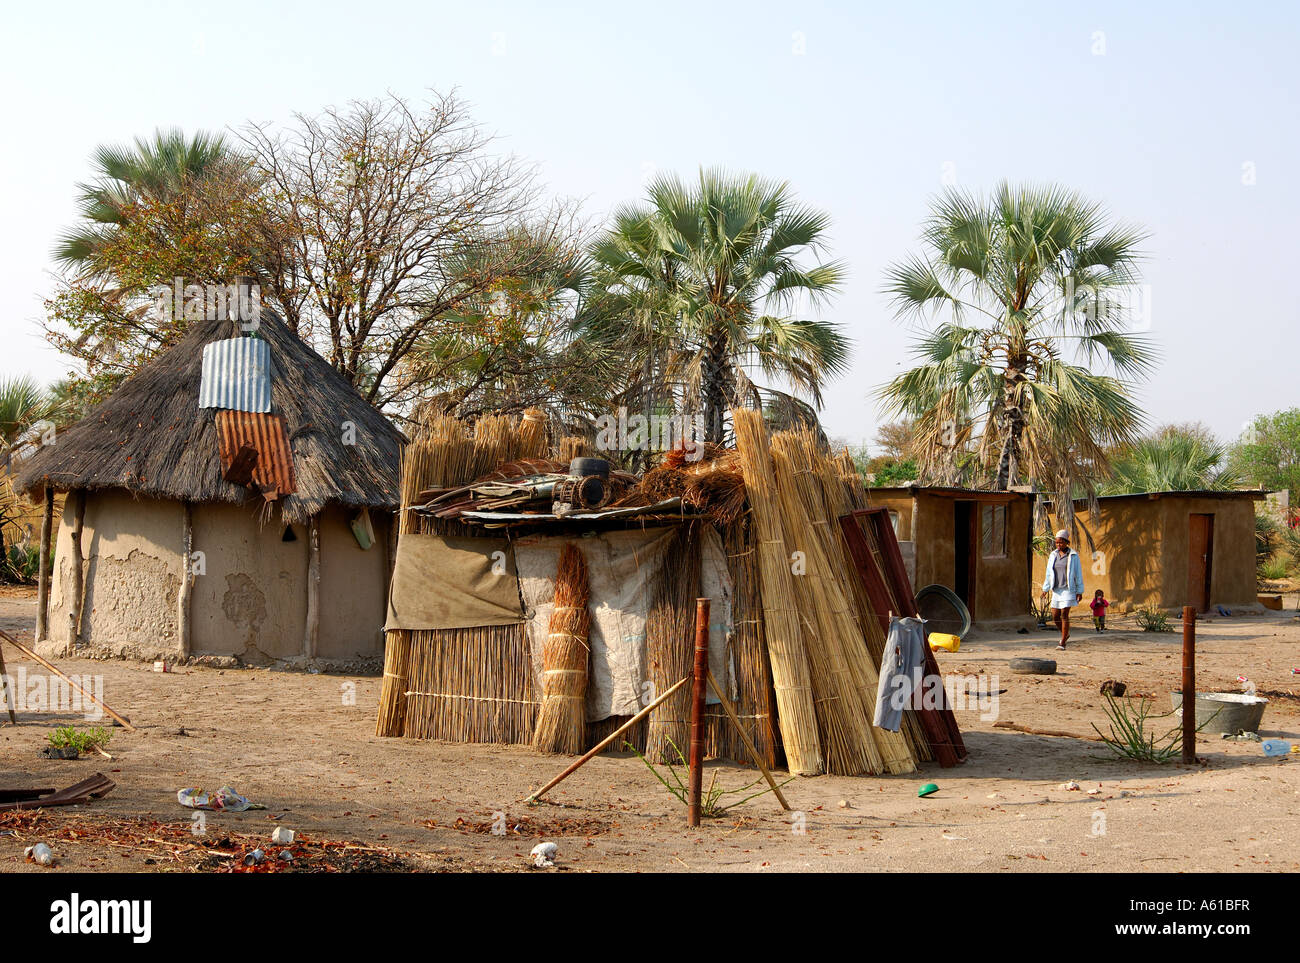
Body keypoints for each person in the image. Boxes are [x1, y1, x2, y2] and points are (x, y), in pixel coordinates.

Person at [1041, 529, 1084, 649]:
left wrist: (1079, 591)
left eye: (1061, 542)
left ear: (1066, 542)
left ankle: (1063, 642)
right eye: (1057, 543)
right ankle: (1065, 634)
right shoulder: (1053, 555)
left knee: (1064, 614)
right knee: (1055, 616)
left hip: (1069, 589)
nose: (1059, 545)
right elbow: (1049, 573)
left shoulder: (1073, 555)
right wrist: (1045, 588)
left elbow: (1078, 573)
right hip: (1056, 589)